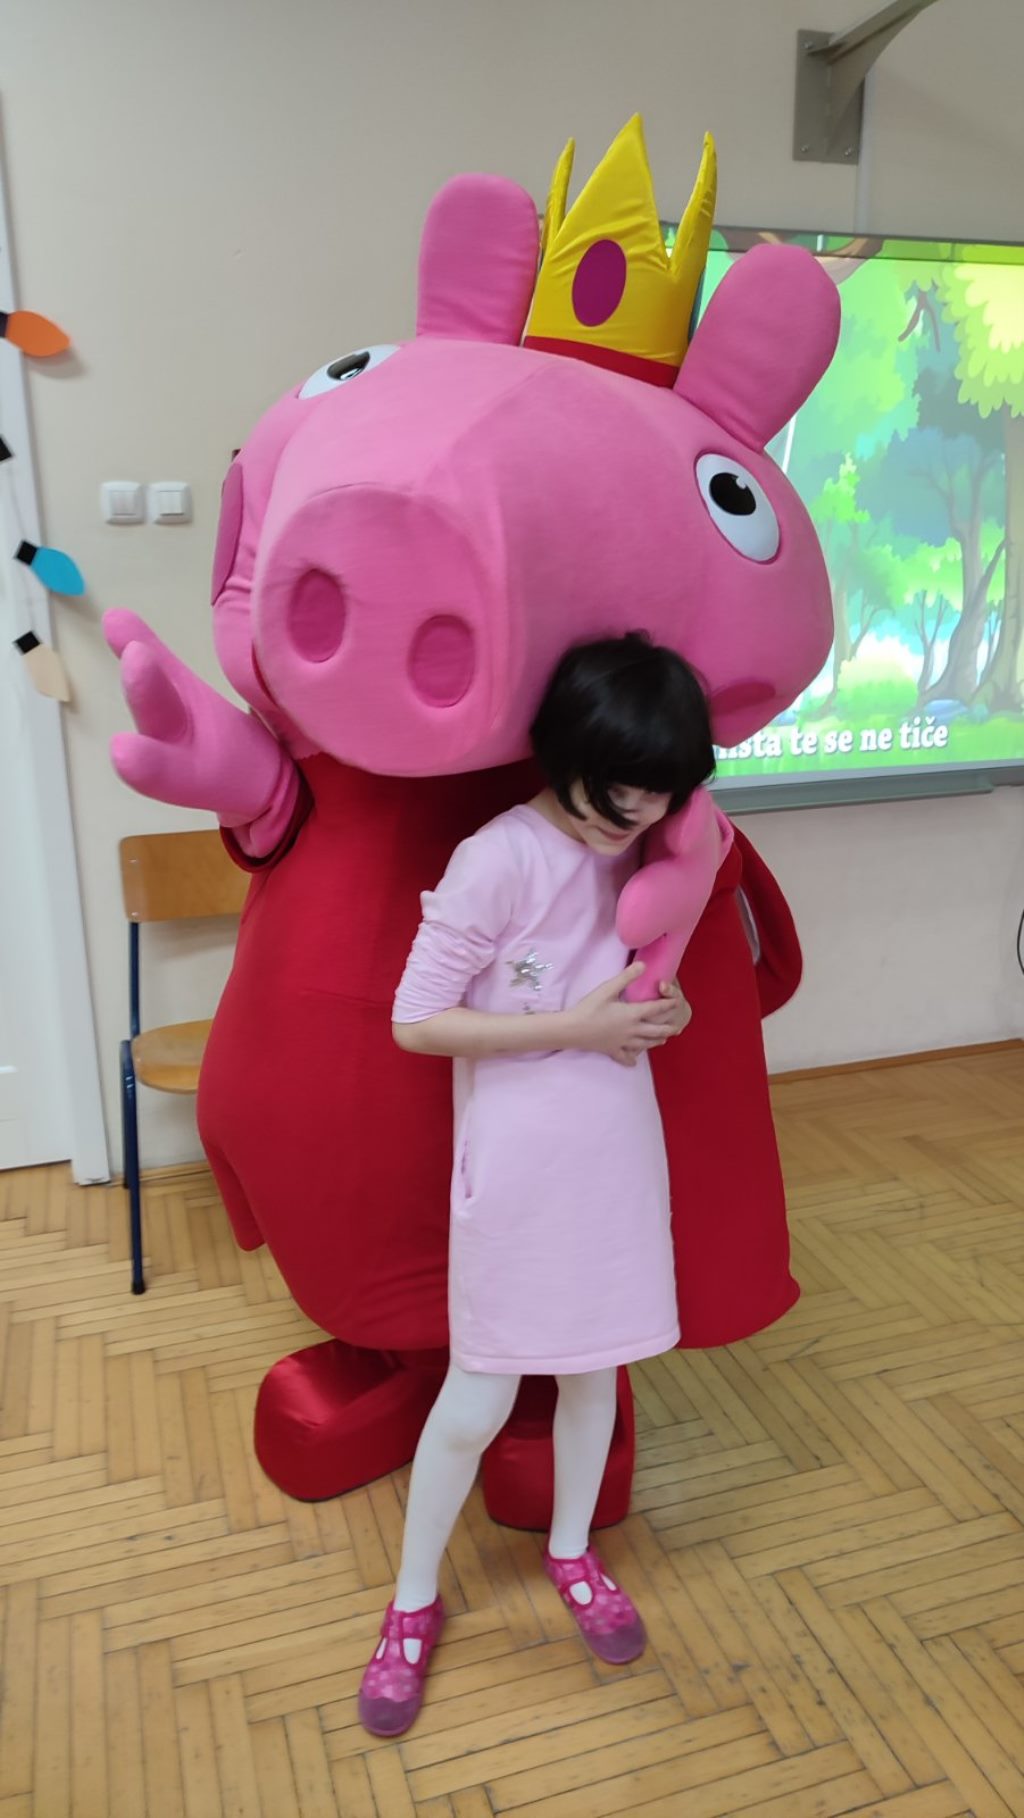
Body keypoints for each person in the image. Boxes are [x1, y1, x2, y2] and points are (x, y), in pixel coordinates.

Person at [357, 631, 716, 1737]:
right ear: (565, 753)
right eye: (620, 788)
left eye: (660, 793)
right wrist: (574, 1026)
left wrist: (664, 1012)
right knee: (477, 1398)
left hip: (614, 1146)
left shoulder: (643, 848)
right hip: (516, 1165)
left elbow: (639, 982)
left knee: (595, 1375)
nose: (637, 812)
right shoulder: (498, 857)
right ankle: (410, 1604)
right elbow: (415, 1022)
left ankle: (571, 1552)